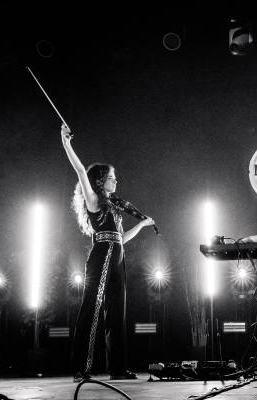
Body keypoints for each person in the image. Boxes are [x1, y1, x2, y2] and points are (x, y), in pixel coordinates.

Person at [60, 123, 155, 382]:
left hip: (117, 255)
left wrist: (142, 225)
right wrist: (66, 142)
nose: (116, 180)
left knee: (117, 313)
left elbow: (121, 239)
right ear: (101, 180)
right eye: (112, 177)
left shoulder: (114, 207)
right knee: (92, 308)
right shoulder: (94, 200)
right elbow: (81, 170)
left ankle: (118, 369)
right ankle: (82, 368)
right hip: (102, 255)